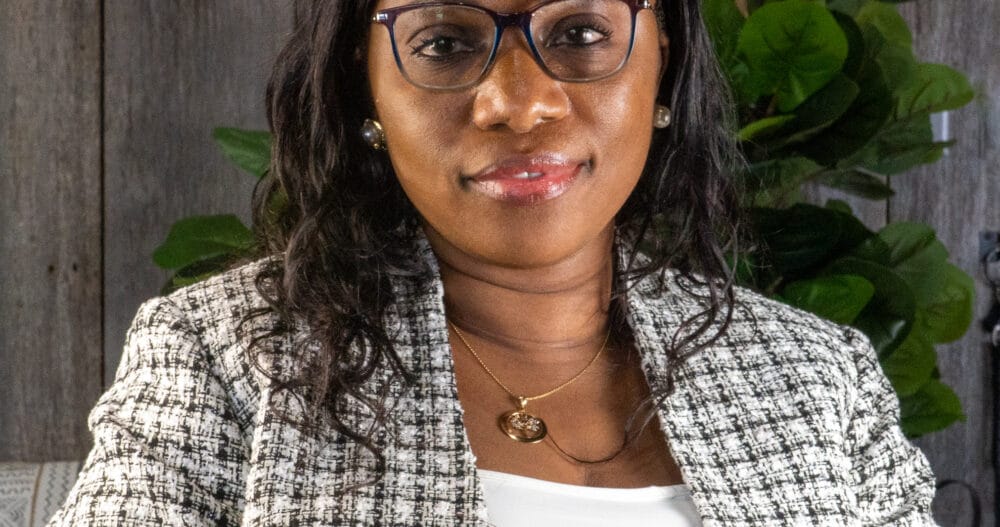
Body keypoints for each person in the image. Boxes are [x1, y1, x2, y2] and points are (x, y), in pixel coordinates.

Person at [50, 0, 938, 525]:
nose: (521, 103)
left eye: (583, 32)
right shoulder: (220, 354)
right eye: (443, 42)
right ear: (366, 87)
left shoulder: (821, 377)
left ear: (662, 70)